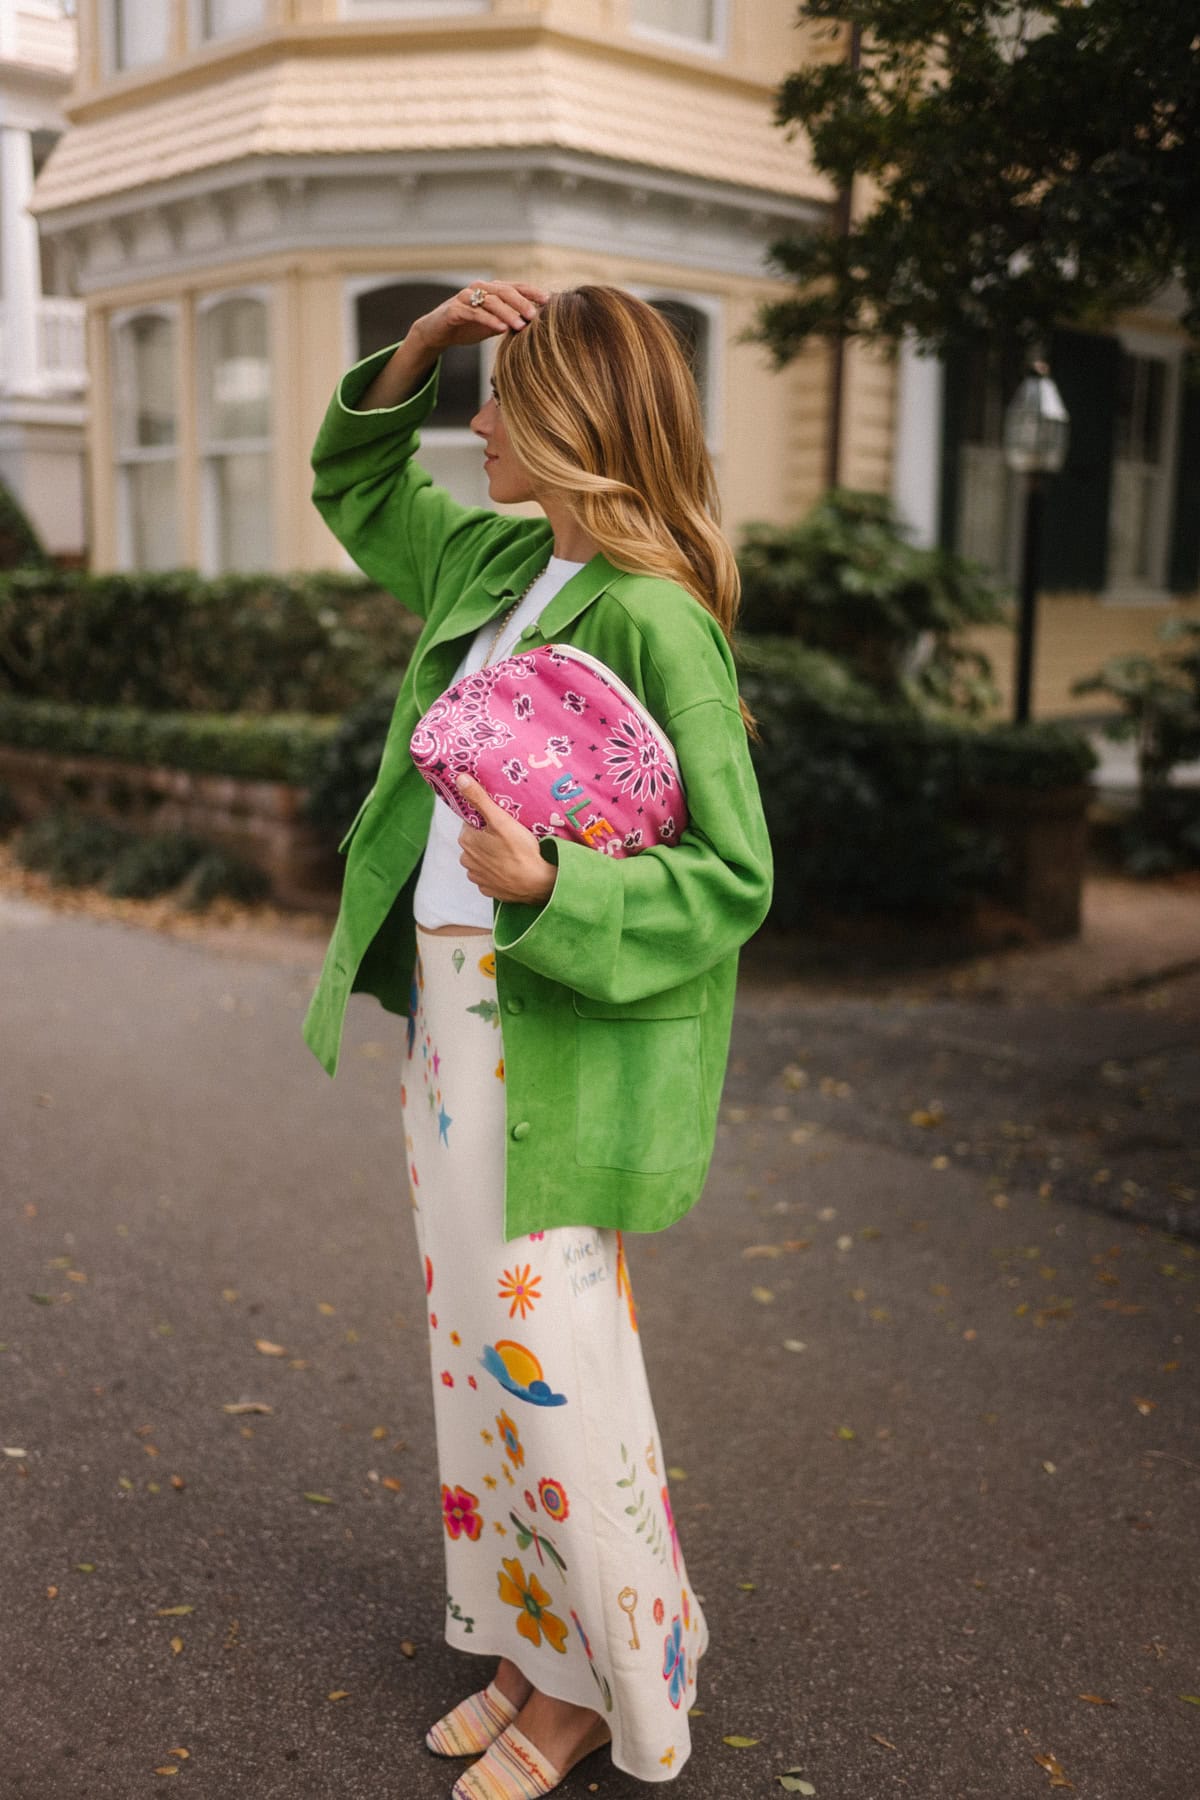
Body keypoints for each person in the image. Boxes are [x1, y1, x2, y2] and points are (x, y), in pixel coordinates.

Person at [302, 281, 772, 1800]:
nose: (479, 421)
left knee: (552, 1371)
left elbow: (734, 878)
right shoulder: (498, 559)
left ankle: (595, 1689)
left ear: (574, 419)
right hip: (453, 1027)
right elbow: (356, 485)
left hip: (556, 1041)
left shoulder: (654, 614)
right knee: (480, 1366)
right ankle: (528, 1638)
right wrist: (421, 347)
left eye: (502, 394)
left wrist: (552, 884)